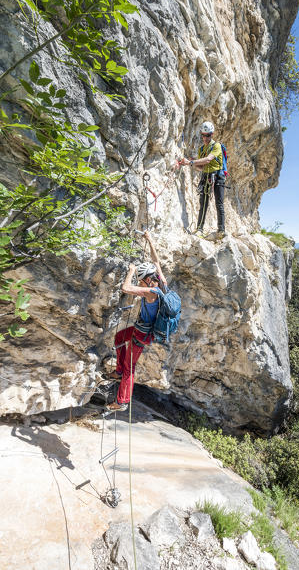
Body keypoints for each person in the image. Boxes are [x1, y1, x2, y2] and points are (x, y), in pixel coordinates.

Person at [106, 231, 167, 411]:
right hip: (141, 329)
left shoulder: (150, 292)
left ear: (148, 280)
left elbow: (125, 288)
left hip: (142, 334)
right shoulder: (162, 283)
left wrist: (132, 271)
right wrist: (150, 240)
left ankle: (121, 402)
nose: (139, 283)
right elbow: (156, 262)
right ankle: (117, 372)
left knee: (129, 367)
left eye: (140, 281)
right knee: (119, 338)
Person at [179, 121, 225, 239]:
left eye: (208, 135)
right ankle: (200, 228)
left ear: (212, 134)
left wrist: (192, 162)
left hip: (217, 176)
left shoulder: (216, 146)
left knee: (219, 203)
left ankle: (221, 229)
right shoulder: (201, 149)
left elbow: (208, 159)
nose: (205, 138)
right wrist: (190, 163)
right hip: (206, 175)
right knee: (203, 202)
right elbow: (202, 166)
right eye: (203, 135)